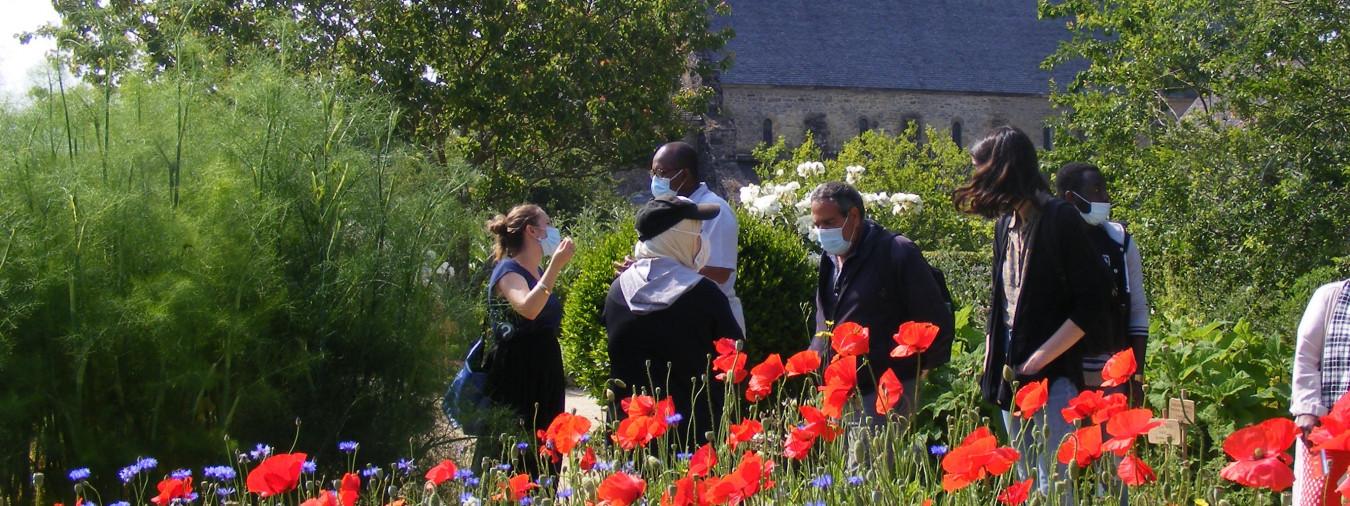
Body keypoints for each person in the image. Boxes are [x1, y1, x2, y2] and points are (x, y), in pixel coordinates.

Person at [953, 126, 1112, 502]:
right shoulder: (1006, 225)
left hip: (1054, 373)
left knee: (1054, 482)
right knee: (1025, 479)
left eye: (980, 172)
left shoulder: (1061, 219)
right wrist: (994, 355)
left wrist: (1041, 358)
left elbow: (1094, 302)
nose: (975, 182)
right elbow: (1002, 302)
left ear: (1004, 171)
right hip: (1012, 367)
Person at [806, 181, 955, 421]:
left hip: (886, 387)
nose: (822, 231)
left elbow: (933, 319)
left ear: (853, 216)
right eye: (817, 224)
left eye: (829, 222)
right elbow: (825, 318)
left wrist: (917, 374)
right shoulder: (830, 259)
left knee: (877, 459)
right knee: (846, 459)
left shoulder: (896, 252)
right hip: (842, 387)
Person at [603, 197, 743, 447]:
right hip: (693, 433)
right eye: (697, 232)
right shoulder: (704, 294)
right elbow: (735, 359)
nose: (701, 239)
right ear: (679, 238)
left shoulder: (617, 291)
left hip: (631, 432)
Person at [479, 204, 575, 475]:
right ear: (532, 231)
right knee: (517, 456)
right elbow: (528, 308)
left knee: (545, 455)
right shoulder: (508, 271)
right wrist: (556, 266)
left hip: (544, 371)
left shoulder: (536, 270)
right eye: (548, 223)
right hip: (517, 374)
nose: (554, 229)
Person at [1056, 162, 1150, 401]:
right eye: (1097, 190)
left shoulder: (1119, 243)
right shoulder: (1051, 243)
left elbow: (1137, 310)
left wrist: (1136, 378)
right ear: (1071, 198)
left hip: (1111, 376)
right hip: (1063, 376)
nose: (1106, 197)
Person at [645, 141, 744, 332]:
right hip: (677, 317)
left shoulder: (716, 210)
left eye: (661, 173)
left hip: (713, 320)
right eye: (652, 173)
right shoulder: (664, 211)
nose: (655, 180)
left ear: (684, 174)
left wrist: (659, 271)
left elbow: (720, 273)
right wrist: (639, 269)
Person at [1291, 278, 1350, 505]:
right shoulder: (1330, 296)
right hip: (1326, 432)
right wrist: (1307, 408)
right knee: (1322, 499)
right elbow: (1305, 357)